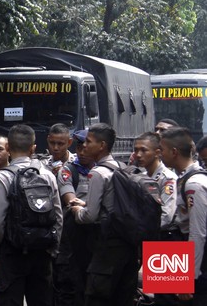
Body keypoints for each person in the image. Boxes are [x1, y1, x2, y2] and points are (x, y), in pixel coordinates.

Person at [0, 124, 63, 306]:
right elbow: (58, 215)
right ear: (33, 148)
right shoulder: (47, 175)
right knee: (42, 300)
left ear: (8, 148)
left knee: (10, 300)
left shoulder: (3, 177)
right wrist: (53, 247)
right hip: (42, 250)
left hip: (13, 252)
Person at [69, 123, 139, 305]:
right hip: (126, 242)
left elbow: (89, 216)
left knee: (97, 297)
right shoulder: (120, 168)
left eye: (89, 142)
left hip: (108, 244)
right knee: (122, 297)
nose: (84, 146)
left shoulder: (98, 173)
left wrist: (77, 211)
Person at [159, 127, 207, 303]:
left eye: (161, 149)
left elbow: (198, 233)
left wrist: (189, 278)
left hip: (193, 256)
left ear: (174, 152)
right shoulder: (182, 179)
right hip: (178, 250)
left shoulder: (194, 183)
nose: (159, 154)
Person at [55, 129, 94, 306]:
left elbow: (190, 230)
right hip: (75, 238)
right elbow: (71, 203)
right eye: (80, 147)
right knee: (72, 288)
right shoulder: (70, 170)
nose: (82, 151)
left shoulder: (112, 172)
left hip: (170, 240)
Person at [133, 132, 179, 237]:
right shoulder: (141, 177)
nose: (138, 155)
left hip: (166, 237)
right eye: (136, 150)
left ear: (157, 153)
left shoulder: (167, 178)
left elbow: (166, 216)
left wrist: (142, 231)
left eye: (144, 150)